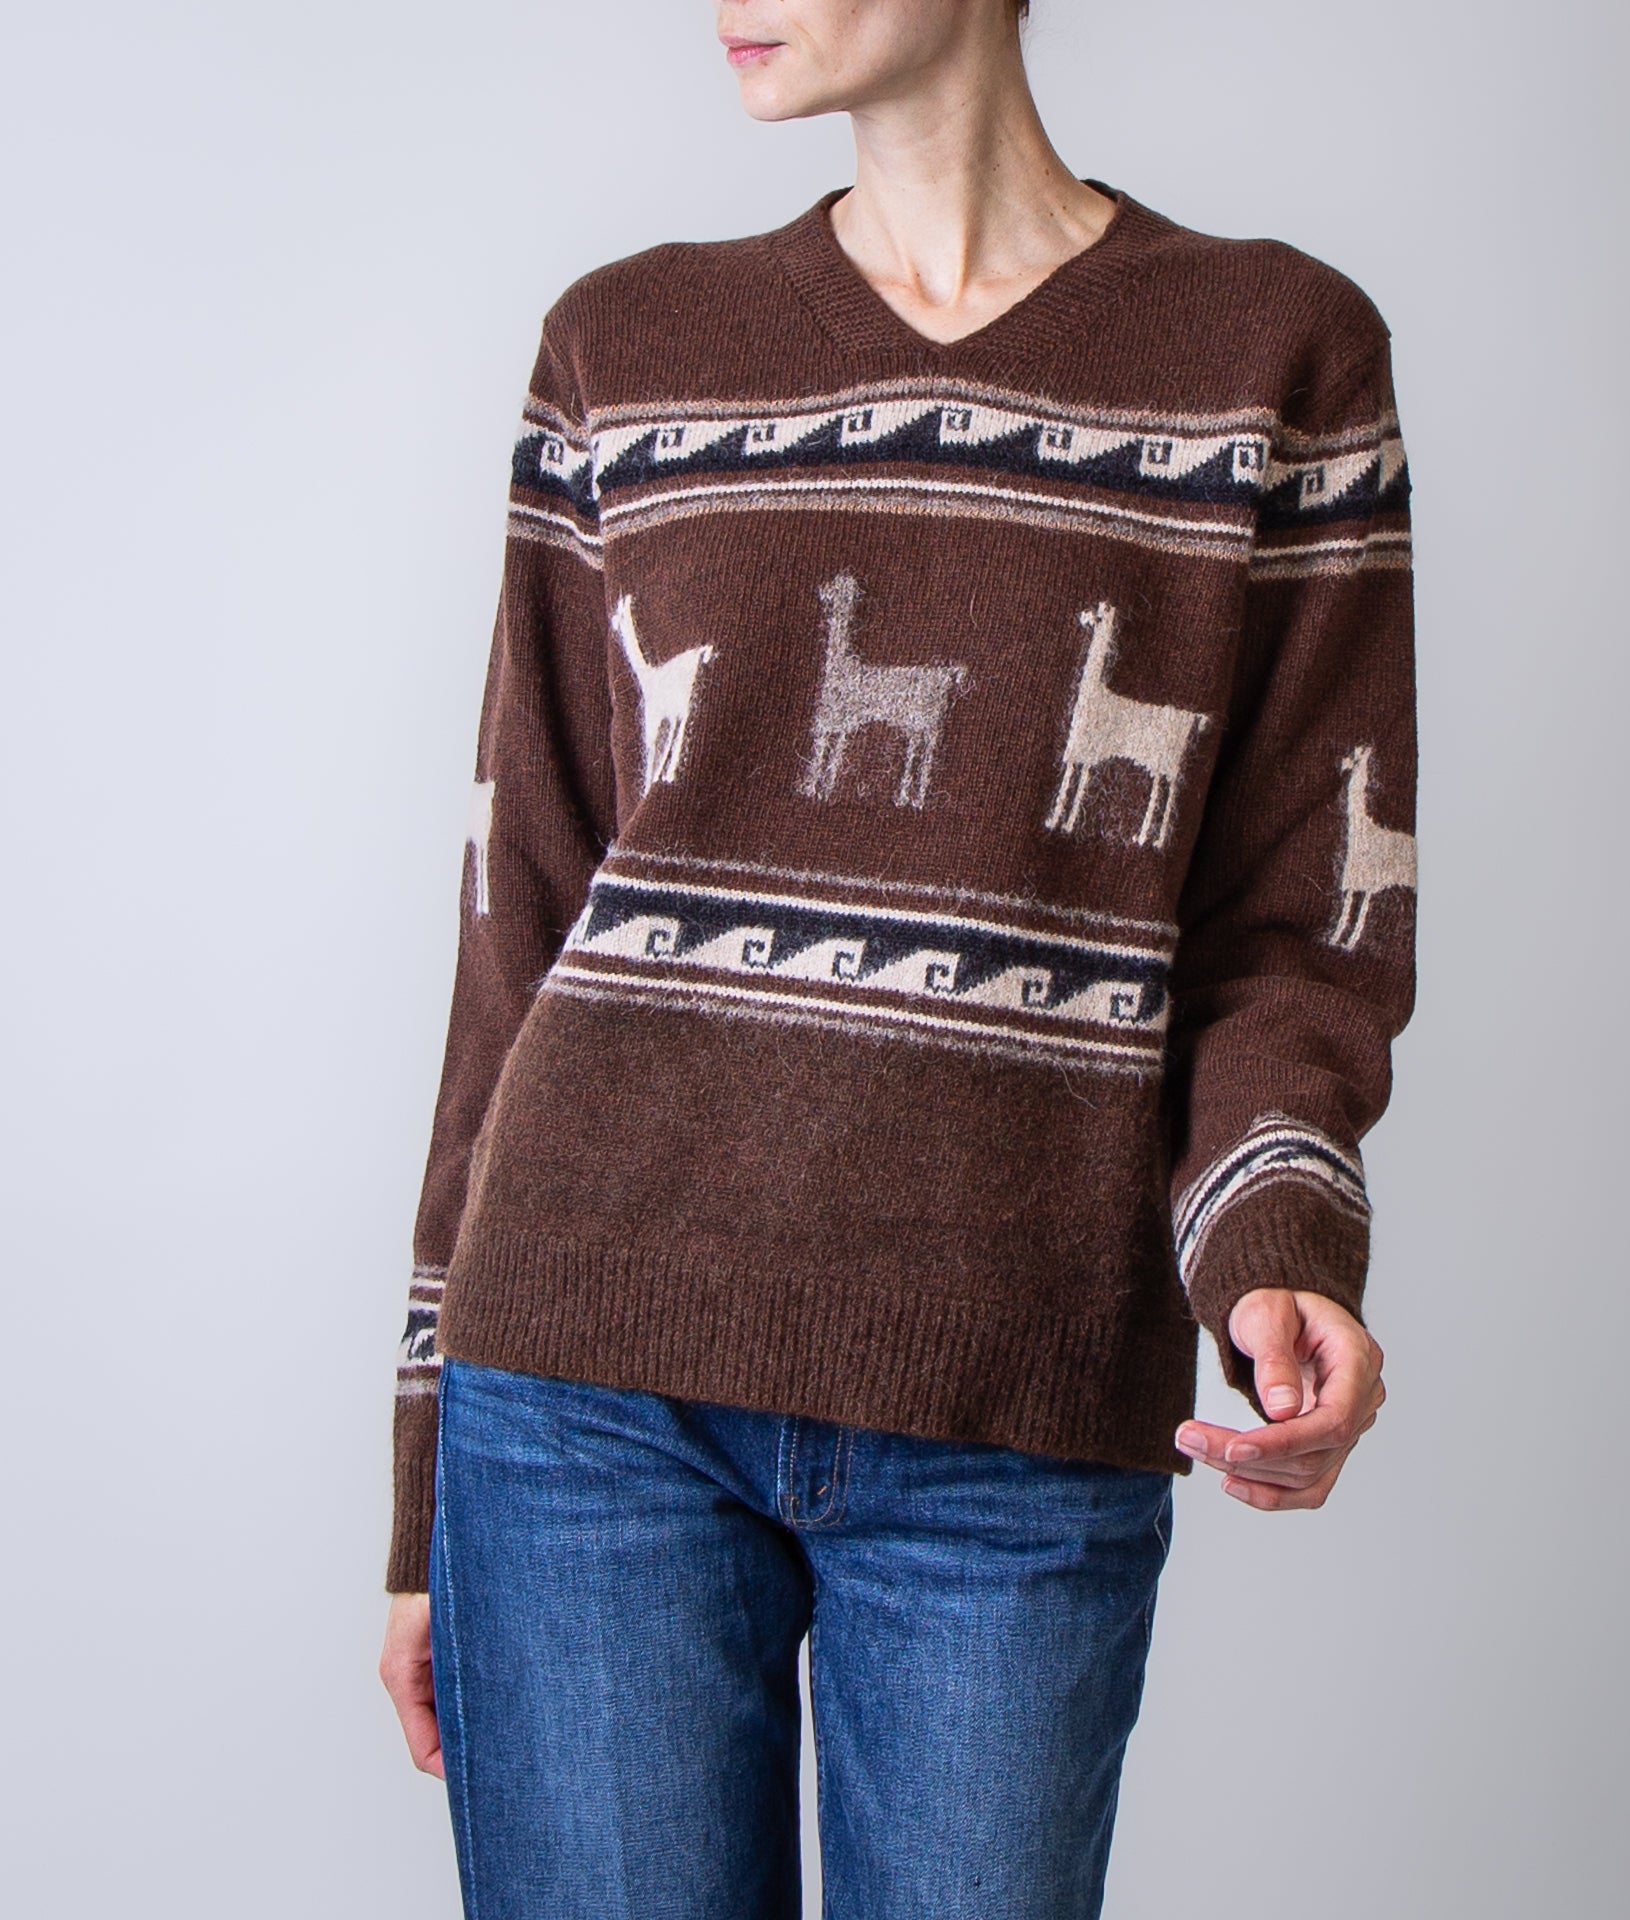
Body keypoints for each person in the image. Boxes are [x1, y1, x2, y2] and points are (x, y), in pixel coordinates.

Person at [379, 2, 1413, 1913]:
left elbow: (1296, 924)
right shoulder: (623, 346)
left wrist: (1276, 1244)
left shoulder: (1275, 350)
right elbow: (519, 905)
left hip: (1016, 1392)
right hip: (584, 1396)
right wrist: (423, 1477)